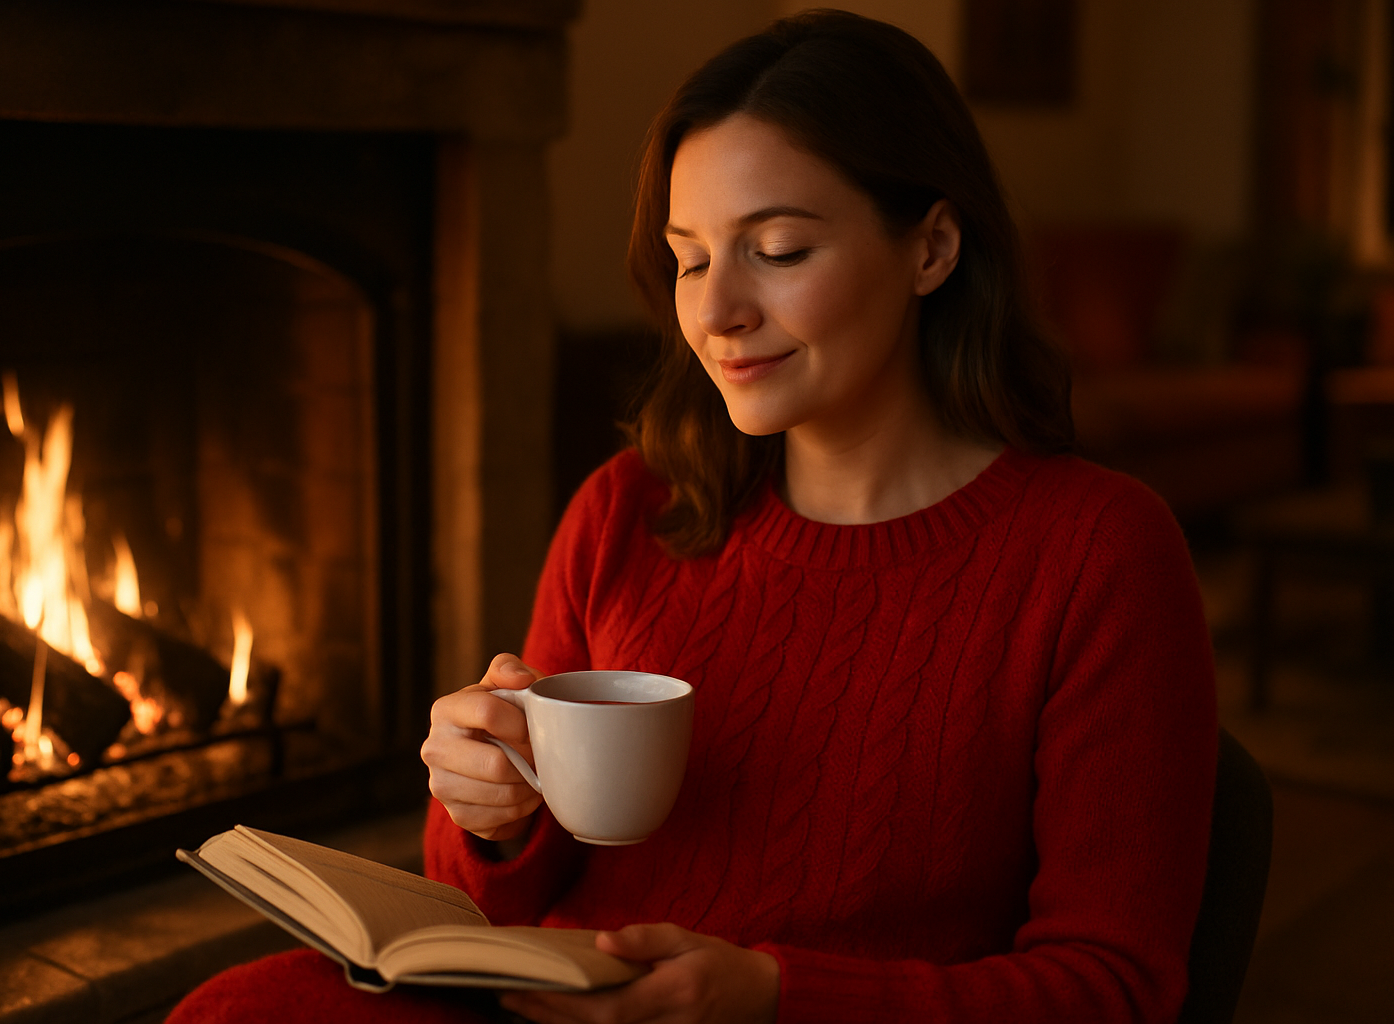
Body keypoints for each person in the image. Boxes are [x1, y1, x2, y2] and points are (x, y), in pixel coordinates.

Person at [168, 10, 1217, 1023]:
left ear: (932, 248)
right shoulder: (628, 508)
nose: (716, 312)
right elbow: (496, 911)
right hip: (549, 1006)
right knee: (234, 1008)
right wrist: (491, 815)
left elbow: (1116, 985)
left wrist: (772, 998)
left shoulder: (1097, 553)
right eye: (691, 257)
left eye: (780, 249)